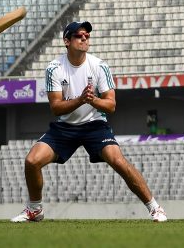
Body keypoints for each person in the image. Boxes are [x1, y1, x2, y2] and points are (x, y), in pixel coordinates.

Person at [11, 21, 167, 223]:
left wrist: (93, 100)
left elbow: (110, 106)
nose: (84, 38)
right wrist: (81, 99)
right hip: (65, 126)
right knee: (32, 161)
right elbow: (55, 107)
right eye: (79, 35)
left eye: (87, 36)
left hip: (95, 124)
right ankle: (35, 210)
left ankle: (155, 208)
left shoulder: (99, 66)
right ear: (66, 41)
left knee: (118, 161)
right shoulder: (54, 68)